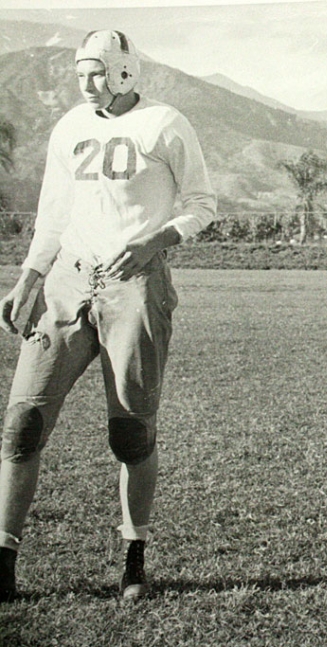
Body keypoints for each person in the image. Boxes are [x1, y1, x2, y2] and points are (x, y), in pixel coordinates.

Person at [0, 30, 216, 603]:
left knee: (131, 432)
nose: (86, 83)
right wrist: (29, 276)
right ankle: (3, 559)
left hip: (136, 285)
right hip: (69, 279)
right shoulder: (70, 126)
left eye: (96, 72)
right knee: (21, 426)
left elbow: (202, 204)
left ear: (124, 72)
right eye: (80, 74)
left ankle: (133, 558)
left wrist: (155, 241)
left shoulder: (166, 123)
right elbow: (53, 211)